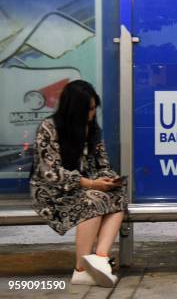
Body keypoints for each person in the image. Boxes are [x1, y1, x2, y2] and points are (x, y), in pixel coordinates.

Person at [30, 80, 126, 287]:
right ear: (75, 109)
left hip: (86, 186)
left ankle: (100, 259)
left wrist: (108, 179)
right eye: (89, 109)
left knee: (118, 195)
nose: (93, 114)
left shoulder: (92, 129)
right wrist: (91, 184)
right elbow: (50, 174)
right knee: (92, 201)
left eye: (94, 108)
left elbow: (103, 163)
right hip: (52, 193)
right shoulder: (49, 128)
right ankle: (80, 269)